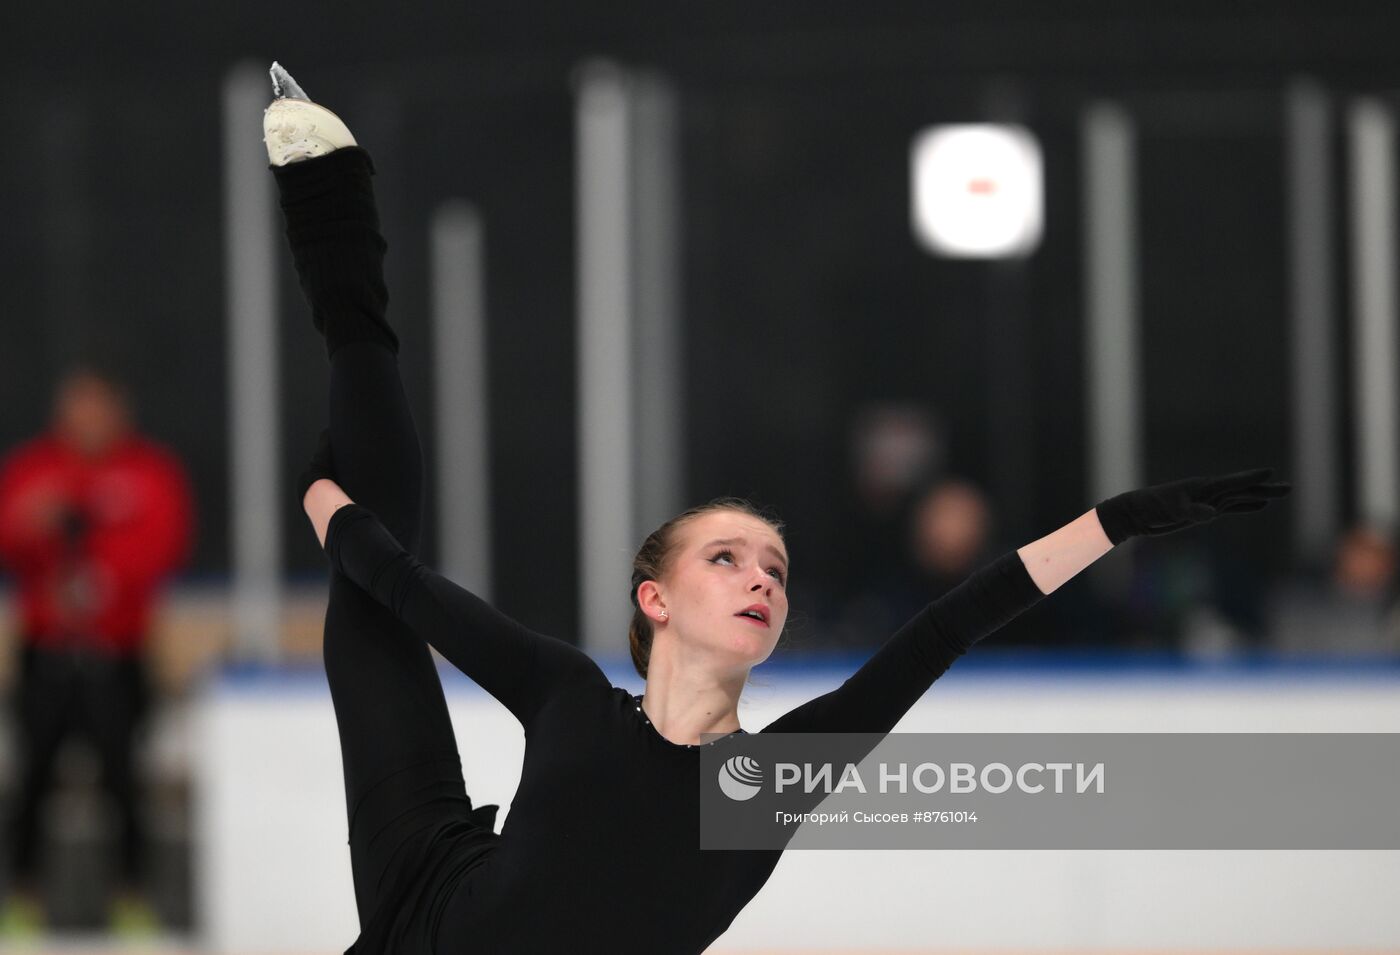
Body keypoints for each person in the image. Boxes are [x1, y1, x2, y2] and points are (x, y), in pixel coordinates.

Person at [263, 63, 1291, 954]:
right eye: (728, 559)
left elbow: (948, 627)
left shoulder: (766, 783)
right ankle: (331, 209)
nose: (761, 576)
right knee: (370, 608)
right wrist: (329, 506)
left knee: (368, 549)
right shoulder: (569, 696)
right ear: (653, 599)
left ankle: (342, 351)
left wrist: (1111, 521)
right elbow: (399, 583)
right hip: (425, 891)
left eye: (774, 569)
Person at [0, 367, 194, 936]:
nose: (84, 420)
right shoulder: (35, 469)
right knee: (32, 778)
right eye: (74, 407)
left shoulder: (148, 472)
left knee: (123, 781)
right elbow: (10, 534)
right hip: (47, 653)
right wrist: (37, 522)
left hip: (117, 653)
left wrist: (102, 574)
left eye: (95, 407)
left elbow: (162, 545)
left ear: (118, 409)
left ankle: (132, 902)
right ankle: (22, 903)